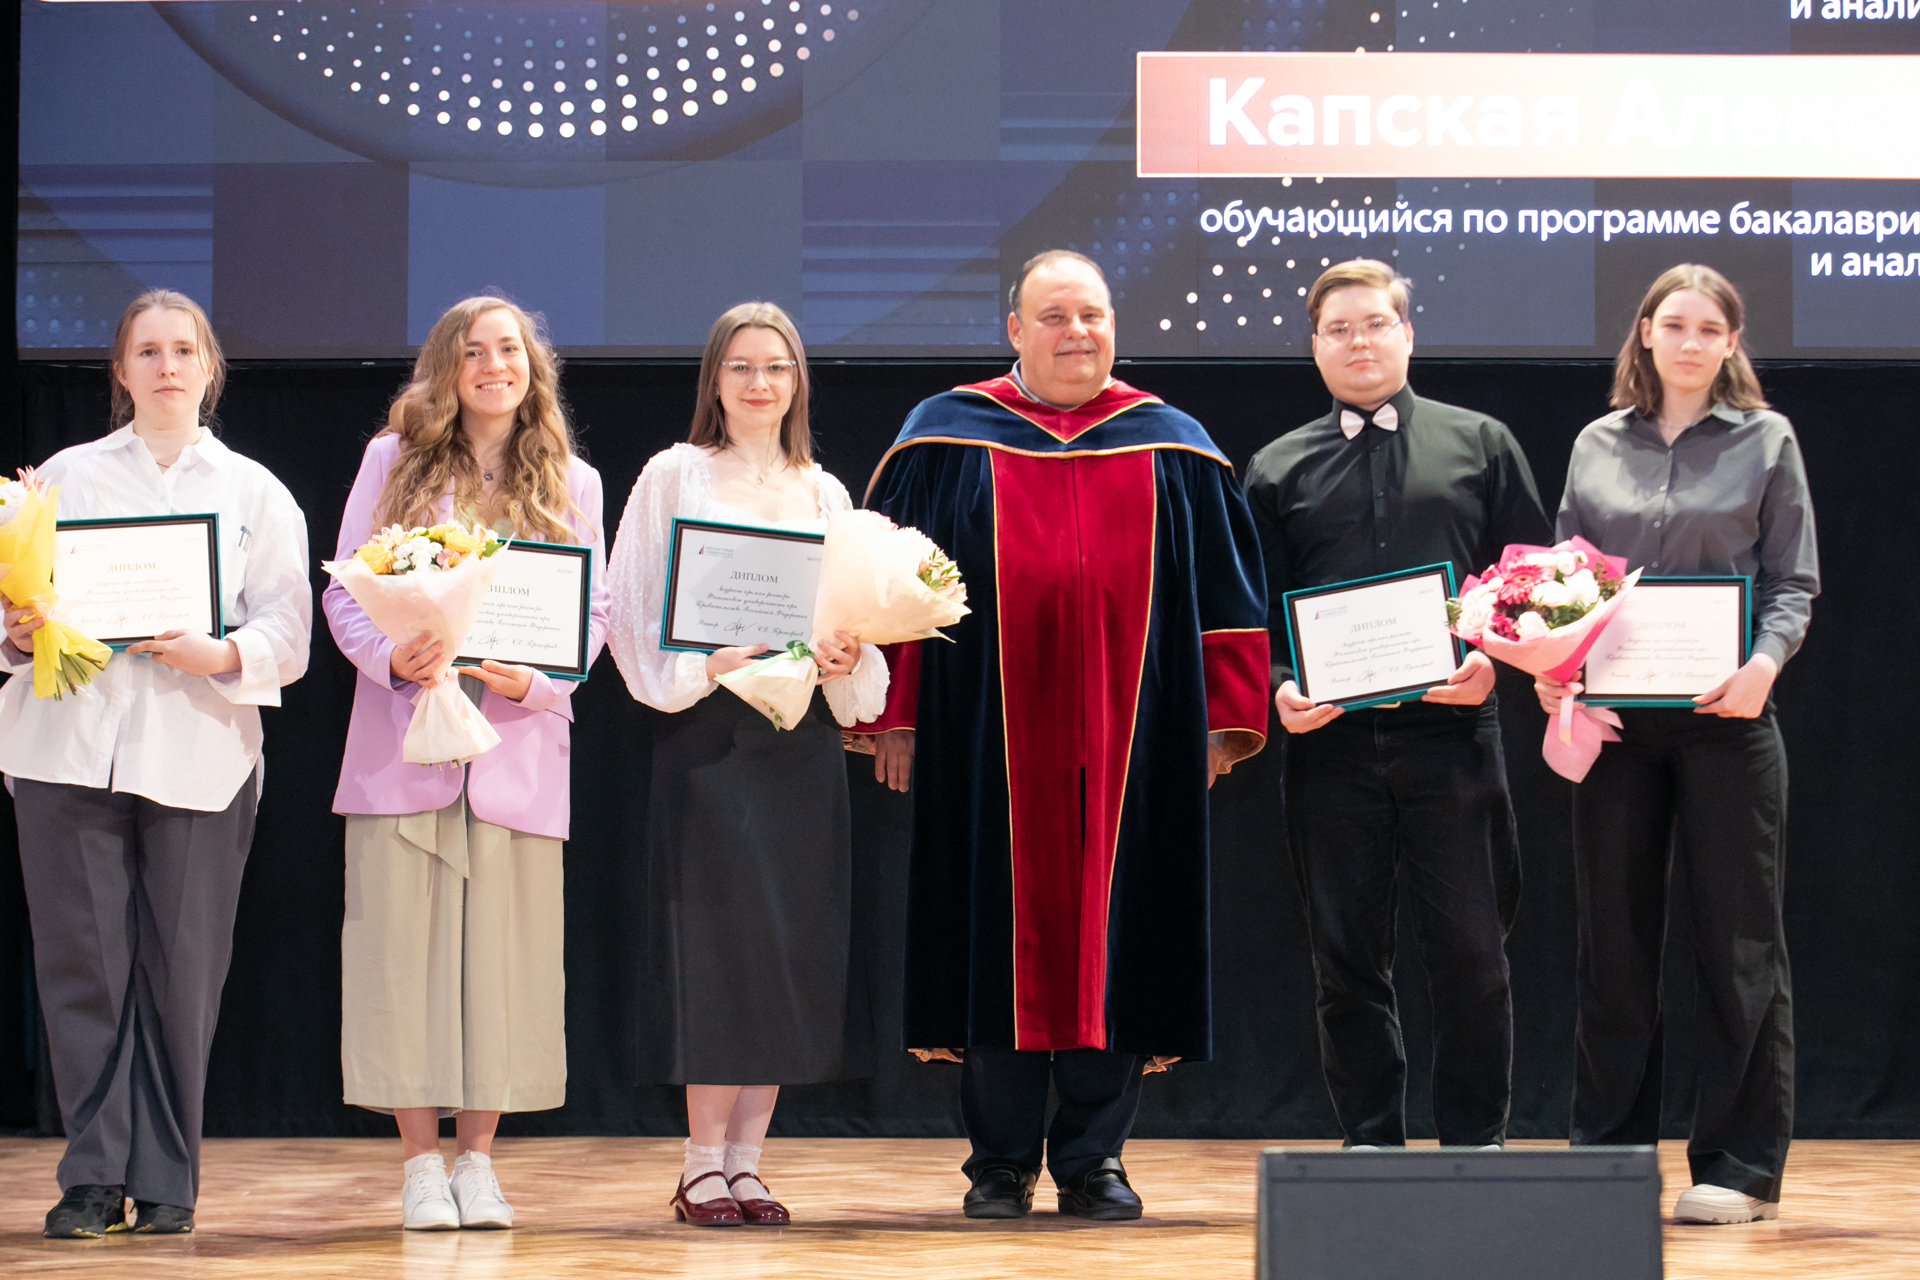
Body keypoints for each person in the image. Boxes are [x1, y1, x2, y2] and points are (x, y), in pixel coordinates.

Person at [854, 250, 1271, 1221]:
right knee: (988, 929)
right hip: (979, 734)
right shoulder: (944, 438)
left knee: (1120, 932)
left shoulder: (1174, 446)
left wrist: (1221, 723)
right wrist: (895, 713)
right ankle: (999, 1160)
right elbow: (887, 582)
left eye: (1092, 314)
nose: (1076, 331)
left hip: (1137, 738)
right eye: (1054, 315)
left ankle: (1094, 1157)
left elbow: (1228, 595)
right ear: (1015, 329)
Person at [0, 290, 311, 1238]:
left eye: (184, 350)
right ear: (121, 371)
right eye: (148, 351)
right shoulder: (64, 478)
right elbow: (15, 607)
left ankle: (168, 1178)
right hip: (66, 751)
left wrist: (221, 654)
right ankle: (93, 1178)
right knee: (83, 971)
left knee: (183, 975)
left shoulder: (255, 491)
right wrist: (19, 631)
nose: (167, 366)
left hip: (201, 752)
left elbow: (289, 632)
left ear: (209, 368)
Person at [1244, 259, 1549, 1152]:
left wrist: (1496, 661)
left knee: (1473, 956)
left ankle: (1475, 1146)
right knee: (1345, 961)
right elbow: (1252, 610)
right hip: (1331, 747)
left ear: (1407, 333)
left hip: (1452, 735)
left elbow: (1534, 579)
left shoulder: (1481, 442)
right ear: (1314, 346)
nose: (1359, 342)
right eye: (1338, 330)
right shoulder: (1275, 467)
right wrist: (1278, 685)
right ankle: (1371, 1144)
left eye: (1375, 323)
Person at [1537, 264, 1816, 1224]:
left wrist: (1764, 666)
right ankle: (1610, 1158)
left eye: (1710, 329)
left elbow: (1792, 583)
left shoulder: (1767, 440)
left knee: (1738, 950)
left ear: (1731, 343)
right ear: (1646, 333)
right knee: (1613, 948)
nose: (1691, 342)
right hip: (1615, 728)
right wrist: (1552, 666)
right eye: (1675, 325)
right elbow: (1564, 584)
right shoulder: (1595, 443)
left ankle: (1739, 1168)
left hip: (1727, 722)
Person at [325, 296, 611, 1231]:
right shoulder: (392, 460)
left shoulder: (574, 479)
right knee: (400, 956)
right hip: (405, 741)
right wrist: (390, 657)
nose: (495, 366)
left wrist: (542, 679)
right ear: (448, 367)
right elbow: (344, 591)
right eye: (475, 351)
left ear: (534, 365)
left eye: (511, 349)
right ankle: (419, 1165)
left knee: (504, 963)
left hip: (515, 750)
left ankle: (479, 1163)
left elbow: (594, 615)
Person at [605, 301, 884, 1227]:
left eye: (777, 367)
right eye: (741, 367)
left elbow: (852, 626)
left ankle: (749, 1165)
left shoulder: (826, 492)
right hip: (709, 740)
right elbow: (629, 608)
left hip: (799, 746)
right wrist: (703, 662)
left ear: (798, 381)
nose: (760, 383)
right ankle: (700, 1167)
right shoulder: (674, 474)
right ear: (714, 382)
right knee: (715, 950)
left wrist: (848, 656)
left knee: (785, 951)